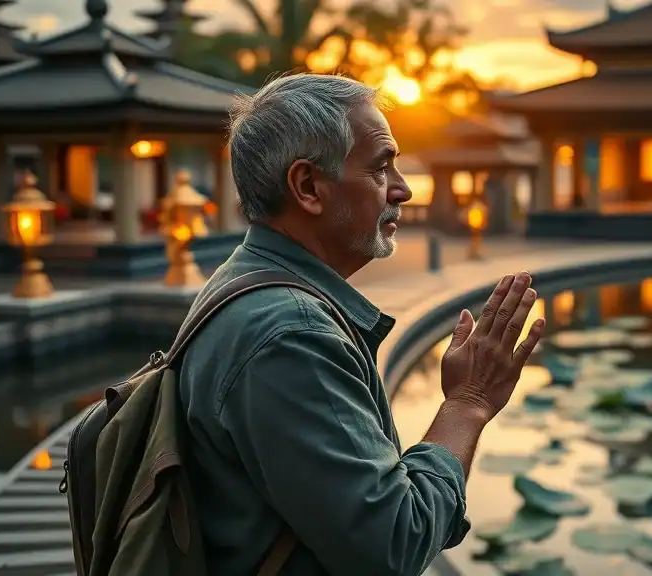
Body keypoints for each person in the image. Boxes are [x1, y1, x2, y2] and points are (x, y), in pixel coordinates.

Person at [177, 73, 546, 575]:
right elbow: (394, 545)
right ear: (308, 186)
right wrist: (469, 403)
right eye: (381, 168)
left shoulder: (242, 280)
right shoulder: (291, 335)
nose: (404, 190)